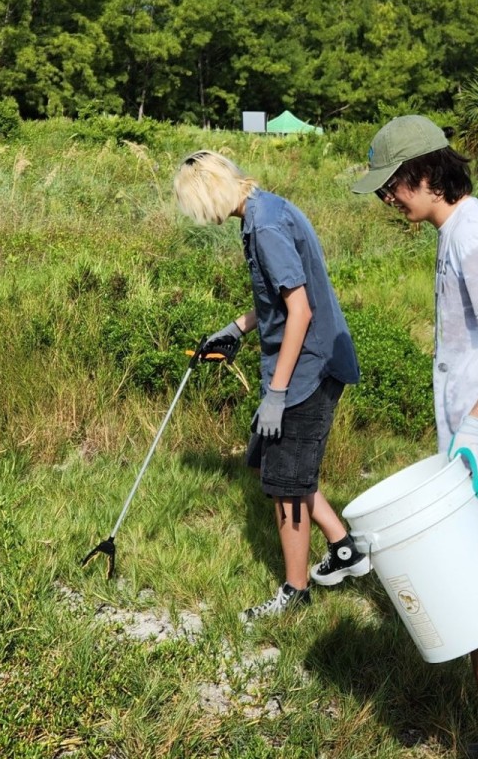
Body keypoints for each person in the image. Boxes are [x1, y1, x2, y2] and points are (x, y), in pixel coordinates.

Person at [353, 115, 478, 759]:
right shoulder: (455, 231)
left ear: (423, 173)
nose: (387, 198)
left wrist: (473, 424)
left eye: (391, 185)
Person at [173, 150, 368, 623]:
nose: (202, 218)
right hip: (299, 364)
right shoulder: (267, 209)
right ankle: (345, 549)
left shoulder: (264, 226)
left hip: (307, 370)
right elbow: (281, 301)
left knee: (285, 483)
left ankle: (295, 592)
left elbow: (301, 311)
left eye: (196, 206)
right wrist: (237, 328)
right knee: (278, 468)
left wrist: (277, 395)